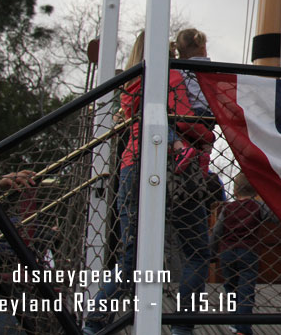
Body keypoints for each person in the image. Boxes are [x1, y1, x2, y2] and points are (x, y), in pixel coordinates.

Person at [84, 31, 215, 335]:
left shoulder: (132, 82)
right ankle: (182, 328)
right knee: (195, 252)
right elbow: (181, 118)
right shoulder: (167, 74)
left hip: (133, 165)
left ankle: (94, 323)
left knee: (131, 257)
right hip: (177, 171)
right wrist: (205, 136)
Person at [210, 172, 275, 335]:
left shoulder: (227, 208)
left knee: (231, 287)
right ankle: (243, 327)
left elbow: (217, 231)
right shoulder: (258, 206)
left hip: (227, 252)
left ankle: (234, 320)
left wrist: (211, 252)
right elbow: (274, 217)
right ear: (256, 191)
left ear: (235, 190)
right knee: (246, 289)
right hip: (248, 251)